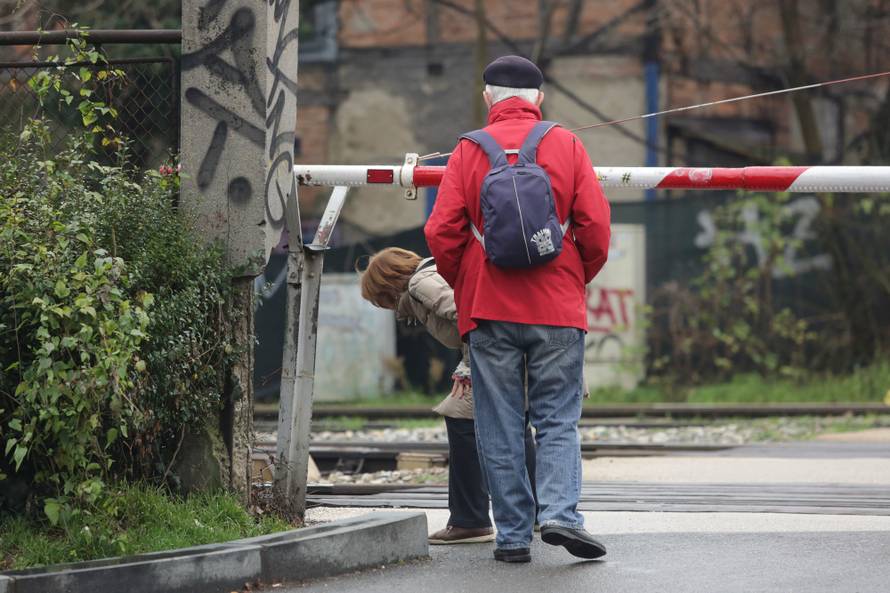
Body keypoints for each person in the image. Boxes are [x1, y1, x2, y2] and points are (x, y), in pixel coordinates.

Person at [424, 55, 611, 563]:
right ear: (539, 100)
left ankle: (510, 537)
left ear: (488, 99)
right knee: (556, 419)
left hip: (489, 308)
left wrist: (466, 284)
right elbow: (594, 227)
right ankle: (560, 516)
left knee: (499, 422)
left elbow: (441, 231)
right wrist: (575, 278)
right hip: (556, 306)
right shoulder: (566, 143)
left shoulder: (467, 150)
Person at [359, 247, 538, 545]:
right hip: (518, 350)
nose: (385, 307)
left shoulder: (420, 283)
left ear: (386, 286)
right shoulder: (432, 275)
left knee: (462, 421)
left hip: (499, 356)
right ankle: (535, 512)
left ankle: (471, 520)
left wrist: (468, 367)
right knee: (517, 427)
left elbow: (470, 314)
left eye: (379, 299)